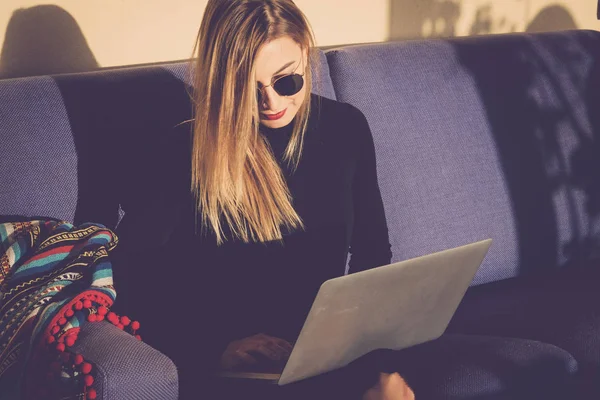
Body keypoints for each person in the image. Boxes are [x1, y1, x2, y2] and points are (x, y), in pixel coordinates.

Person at [113, 0, 413, 399]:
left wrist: (381, 363)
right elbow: (132, 274)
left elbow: (372, 255)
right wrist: (211, 350)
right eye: (247, 88)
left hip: (324, 349)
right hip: (242, 367)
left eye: (287, 81)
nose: (271, 103)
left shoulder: (346, 128)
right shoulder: (186, 149)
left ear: (306, 55)